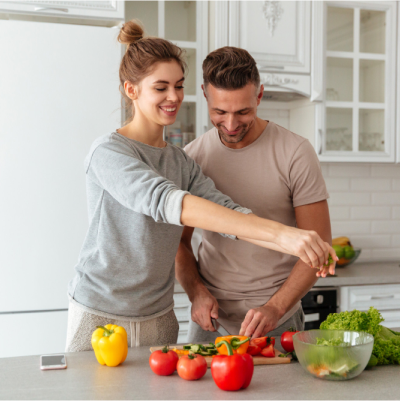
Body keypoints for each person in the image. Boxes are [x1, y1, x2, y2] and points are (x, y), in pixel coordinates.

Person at [66, 22, 336, 352]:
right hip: (101, 310)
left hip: (159, 313)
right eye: (161, 87)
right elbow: (166, 201)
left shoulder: (182, 162)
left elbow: (229, 216)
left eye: (178, 86)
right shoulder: (108, 152)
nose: (173, 97)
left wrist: (299, 242)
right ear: (131, 90)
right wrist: (284, 235)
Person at [175, 46, 335, 343]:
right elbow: (178, 244)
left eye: (243, 111)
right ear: (205, 95)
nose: (231, 125)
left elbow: (320, 243)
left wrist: (275, 307)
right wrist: (196, 292)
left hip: (278, 321)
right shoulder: (192, 157)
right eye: (219, 112)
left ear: (259, 96)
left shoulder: (295, 153)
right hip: (209, 321)